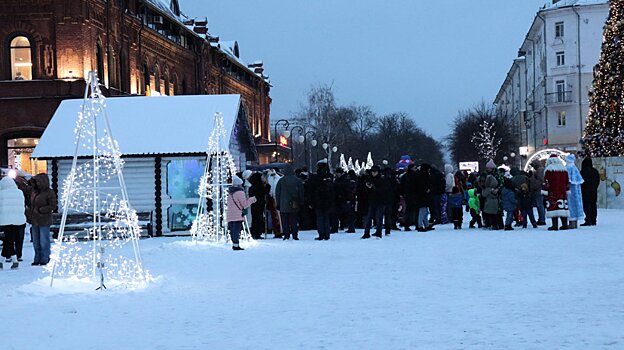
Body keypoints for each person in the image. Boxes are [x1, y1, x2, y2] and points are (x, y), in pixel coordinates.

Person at [27, 174, 57, 266]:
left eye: (38, 181)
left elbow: (53, 205)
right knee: (36, 241)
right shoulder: (34, 191)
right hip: (34, 220)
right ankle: (37, 258)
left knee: (44, 240)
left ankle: (45, 258)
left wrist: (42, 210)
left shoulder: (49, 192)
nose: (37, 183)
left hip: (44, 220)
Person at [0, 176, 27, 269]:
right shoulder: (19, 193)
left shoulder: (1, 194)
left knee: (8, 240)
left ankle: (10, 261)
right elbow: (22, 206)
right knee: (9, 241)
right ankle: (7, 261)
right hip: (18, 220)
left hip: (5, 220)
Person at [227, 175, 256, 250]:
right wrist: (252, 199)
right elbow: (245, 204)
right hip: (237, 214)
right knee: (237, 230)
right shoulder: (240, 192)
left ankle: (234, 244)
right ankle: (236, 245)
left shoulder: (230, 193)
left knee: (233, 230)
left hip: (230, 215)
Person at [275, 165, 304, 240]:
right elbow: (301, 192)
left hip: (283, 204)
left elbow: (277, 193)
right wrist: (301, 201)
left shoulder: (281, 180)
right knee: (294, 220)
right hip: (294, 203)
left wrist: (278, 203)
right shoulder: (297, 180)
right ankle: (295, 234)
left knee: (285, 221)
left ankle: (286, 234)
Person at [542, 154, 569, 231]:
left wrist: (545, 191)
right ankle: (564, 224)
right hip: (563, 192)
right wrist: (567, 190)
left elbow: (547, 182)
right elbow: (567, 181)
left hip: (552, 192)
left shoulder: (549, 169)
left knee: (553, 208)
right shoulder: (564, 169)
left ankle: (555, 225)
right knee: (562, 208)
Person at [309, 160, 334, 240]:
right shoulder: (329, 177)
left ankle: (321, 234)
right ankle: (327, 234)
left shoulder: (316, 177)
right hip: (327, 200)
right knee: (326, 218)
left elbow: (311, 190)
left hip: (318, 200)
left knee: (319, 218)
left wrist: (311, 201)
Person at [361, 165, 389, 239]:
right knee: (369, 218)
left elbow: (384, 191)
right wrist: (368, 188)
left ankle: (378, 233)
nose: (373, 173)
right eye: (372, 171)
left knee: (378, 218)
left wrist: (373, 188)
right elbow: (366, 191)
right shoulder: (370, 179)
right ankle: (367, 233)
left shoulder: (382, 180)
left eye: (375, 171)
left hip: (380, 201)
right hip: (372, 201)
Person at [565, 154, 584, 229]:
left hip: (570, 190)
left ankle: (571, 223)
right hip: (577, 191)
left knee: (570, 206)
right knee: (576, 205)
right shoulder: (575, 168)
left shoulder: (568, 168)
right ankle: (575, 222)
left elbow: (567, 179)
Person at [580, 156, 599, 226]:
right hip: (594, 191)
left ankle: (588, 220)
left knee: (586, 206)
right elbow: (597, 181)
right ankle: (594, 220)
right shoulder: (595, 171)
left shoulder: (583, 172)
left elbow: (581, 182)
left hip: (585, 191)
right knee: (593, 205)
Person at [248, 172, 267, 239]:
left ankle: (254, 232)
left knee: (254, 218)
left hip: (253, 204)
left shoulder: (252, 186)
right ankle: (258, 232)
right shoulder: (260, 186)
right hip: (259, 204)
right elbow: (265, 191)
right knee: (259, 218)